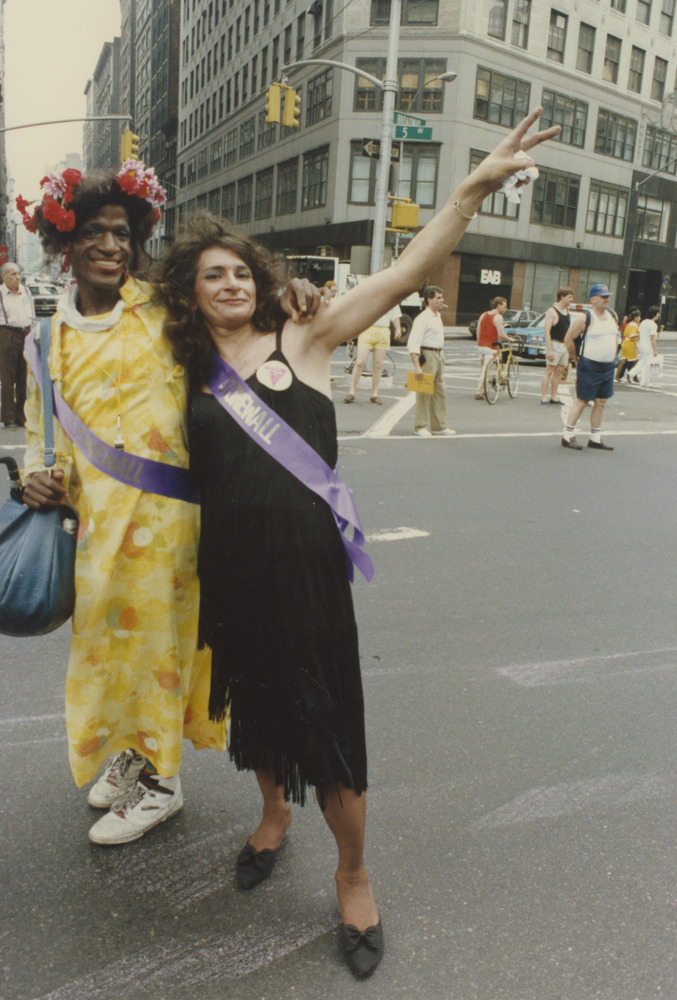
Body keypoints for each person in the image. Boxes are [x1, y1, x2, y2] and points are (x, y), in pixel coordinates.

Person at [159, 107, 558, 977]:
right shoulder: (182, 370)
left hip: (306, 576)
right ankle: (273, 815)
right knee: (258, 708)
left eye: (238, 272)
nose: (227, 284)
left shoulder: (302, 334)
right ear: (188, 293)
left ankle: (352, 870)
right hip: (230, 572)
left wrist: (467, 192)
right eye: (209, 276)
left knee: (328, 726)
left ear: (257, 280)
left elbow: (408, 268)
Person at [16, 162, 318, 847]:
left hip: (175, 524)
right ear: (67, 241)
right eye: (92, 231)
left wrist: (286, 296)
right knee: (106, 650)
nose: (110, 245)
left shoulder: (162, 307)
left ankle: (161, 781)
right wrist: (37, 477)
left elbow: (240, 316)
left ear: (138, 237)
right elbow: (48, 434)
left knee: (157, 650)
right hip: (96, 530)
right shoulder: (45, 335)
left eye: (121, 232)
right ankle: (129, 758)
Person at [562, 283, 620, 451]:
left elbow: (615, 336)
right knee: (582, 400)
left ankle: (595, 437)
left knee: (601, 401)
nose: (607, 299)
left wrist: (614, 354)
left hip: (607, 366)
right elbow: (568, 338)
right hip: (590, 364)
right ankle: (567, 435)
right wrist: (575, 358)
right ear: (593, 299)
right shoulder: (585, 317)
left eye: (608, 296)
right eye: (603, 297)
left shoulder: (612, 316)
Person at [408, 286, 455, 436]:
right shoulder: (422, 318)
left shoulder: (437, 316)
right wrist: (417, 366)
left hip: (438, 355)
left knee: (440, 392)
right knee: (423, 392)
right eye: (438, 298)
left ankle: (439, 426)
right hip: (427, 355)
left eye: (442, 297)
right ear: (429, 300)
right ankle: (420, 426)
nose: (442, 300)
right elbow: (413, 342)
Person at [0, 262, 35, 428]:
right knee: (8, 377)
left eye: (19, 273)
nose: (18, 277)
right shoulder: (1, 293)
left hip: (25, 333)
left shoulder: (25, 291)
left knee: (24, 376)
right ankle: (8, 417)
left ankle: (22, 416)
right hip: (6, 333)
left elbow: (31, 312)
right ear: (4, 277)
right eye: (13, 274)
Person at [344, 303, 401, 405]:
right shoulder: (370, 294)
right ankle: (351, 391)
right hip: (367, 329)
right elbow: (357, 314)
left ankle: (375, 394)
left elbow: (395, 315)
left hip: (383, 331)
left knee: (378, 364)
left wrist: (398, 328)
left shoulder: (391, 296)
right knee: (360, 362)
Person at [474, 297, 518, 399]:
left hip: (481, 345)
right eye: (504, 306)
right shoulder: (498, 317)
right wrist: (509, 339)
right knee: (486, 369)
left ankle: (484, 389)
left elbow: (478, 330)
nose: (506, 309)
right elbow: (501, 334)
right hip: (491, 346)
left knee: (483, 369)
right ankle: (478, 391)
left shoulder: (483, 315)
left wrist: (479, 342)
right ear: (498, 306)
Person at [540, 287, 574, 405]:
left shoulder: (567, 311)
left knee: (559, 371)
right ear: (562, 297)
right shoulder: (552, 311)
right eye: (569, 297)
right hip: (554, 344)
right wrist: (549, 349)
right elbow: (547, 330)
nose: (571, 299)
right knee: (549, 370)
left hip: (564, 345)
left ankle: (554, 396)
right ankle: (544, 397)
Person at [632, 305, 660, 387]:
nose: (658, 315)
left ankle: (644, 381)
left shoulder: (643, 322)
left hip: (641, 344)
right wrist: (655, 350)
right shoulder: (653, 325)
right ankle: (633, 373)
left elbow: (639, 334)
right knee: (646, 363)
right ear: (654, 314)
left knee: (644, 363)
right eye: (658, 313)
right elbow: (652, 339)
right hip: (648, 346)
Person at [615, 308, 640, 382]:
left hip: (625, 342)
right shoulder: (634, 325)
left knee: (623, 361)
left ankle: (617, 377)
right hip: (630, 344)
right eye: (639, 316)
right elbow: (632, 335)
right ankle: (631, 377)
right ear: (635, 318)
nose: (640, 318)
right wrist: (638, 335)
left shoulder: (629, 324)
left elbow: (625, 333)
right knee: (635, 361)